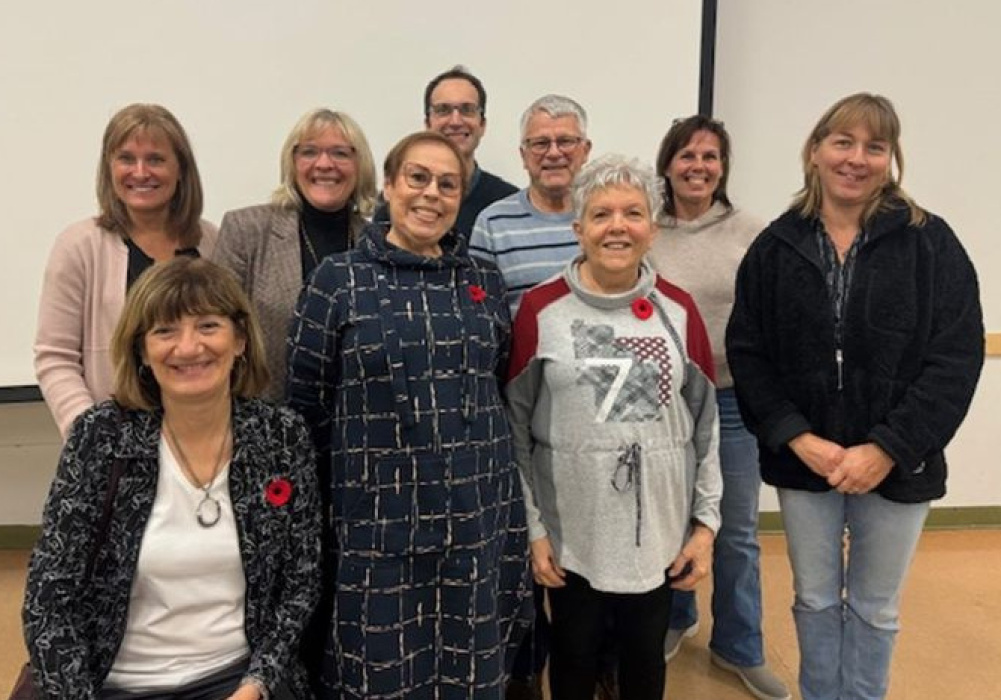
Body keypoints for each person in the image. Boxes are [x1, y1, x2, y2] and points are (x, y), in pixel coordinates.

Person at [726, 93, 984, 700]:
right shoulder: (776, 247)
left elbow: (955, 358)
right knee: (814, 600)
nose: (856, 158)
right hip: (805, 460)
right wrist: (798, 437)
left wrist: (887, 448)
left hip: (899, 462)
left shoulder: (930, 244)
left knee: (875, 609)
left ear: (891, 158)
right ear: (815, 151)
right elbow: (749, 353)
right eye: (843, 142)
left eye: (875, 146)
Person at [287, 131, 532, 699]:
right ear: (390, 186)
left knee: (470, 670)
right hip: (377, 522)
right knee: (381, 673)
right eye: (418, 178)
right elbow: (307, 402)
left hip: (476, 516)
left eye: (448, 184)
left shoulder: (482, 281)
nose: (431, 194)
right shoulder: (338, 280)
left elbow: (494, 381)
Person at [23, 256, 321, 700]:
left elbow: (301, 581)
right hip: (114, 686)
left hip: (237, 679)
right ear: (142, 350)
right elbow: (49, 596)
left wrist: (255, 686)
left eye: (208, 326)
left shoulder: (280, 435)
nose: (188, 347)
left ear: (240, 339)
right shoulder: (102, 437)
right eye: (165, 331)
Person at [506, 155, 722, 700]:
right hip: (571, 538)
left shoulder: (680, 310)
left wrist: (704, 525)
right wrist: (533, 529)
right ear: (578, 228)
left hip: (658, 540)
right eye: (601, 214)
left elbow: (706, 426)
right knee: (573, 662)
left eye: (633, 213)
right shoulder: (540, 310)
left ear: (653, 228)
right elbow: (515, 429)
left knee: (644, 666)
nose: (617, 227)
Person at [647, 116, 790, 700]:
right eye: (687, 155)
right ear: (667, 164)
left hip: (730, 401)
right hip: (662, 401)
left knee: (733, 532)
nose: (698, 166)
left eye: (709, 156)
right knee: (668, 523)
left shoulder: (752, 232)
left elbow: (774, 317)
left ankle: (739, 645)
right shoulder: (647, 229)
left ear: (723, 167)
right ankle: (677, 616)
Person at [34, 103, 218, 439]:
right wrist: (90, 434)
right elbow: (55, 357)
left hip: (201, 438)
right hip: (113, 441)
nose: (140, 172)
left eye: (156, 159)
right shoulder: (78, 246)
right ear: (109, 169)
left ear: (181, 170)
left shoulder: (212, 242)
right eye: (126, 159)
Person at [213, 108, 377, 401]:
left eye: (340, 153)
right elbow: (215, 328)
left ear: (360, 165)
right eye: (309, 152)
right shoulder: (246, 230)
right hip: (262, 416)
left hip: (353, 420)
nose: (324, 164)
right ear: (292, 163)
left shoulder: (376, 243)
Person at [470, 94, 592, 317]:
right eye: (540, 143)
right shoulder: (493, 224)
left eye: (565, 141)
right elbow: (481, 313)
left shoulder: (608, 218)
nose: (553, 153)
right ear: (523, 155)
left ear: (585, 150)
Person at [373, 65, 518, 238]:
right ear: (428, 123)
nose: (455, 121)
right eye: (443, 110)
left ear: (482, 125)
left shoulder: (509, 203)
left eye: (467, 110)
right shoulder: (396, 202)